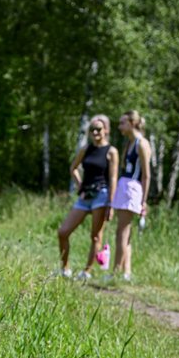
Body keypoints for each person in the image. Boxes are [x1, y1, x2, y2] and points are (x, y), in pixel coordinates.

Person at [57, 114, 118, 280]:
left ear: (105, 130)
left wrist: (111, 204)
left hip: (102, 195)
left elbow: (113, 179)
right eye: (92, 130)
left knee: (96, 236)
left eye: (98, 129)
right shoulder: (86, 149)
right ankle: (65, 268)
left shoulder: (111, 152)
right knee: (63, 232)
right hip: (85, 196)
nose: (95, 132)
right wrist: (80, 186)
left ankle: (87, 272)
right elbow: (73, 168)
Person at [111, 110, 151, 281]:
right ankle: (126, 272)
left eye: (122, 123)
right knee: (125, 233)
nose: (120, 126)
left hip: (133, 188)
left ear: (132, 123)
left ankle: (116, 272)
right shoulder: (129, 143)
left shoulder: (142, 144)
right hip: (124, 185)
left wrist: (144, 201)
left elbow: (146, 175)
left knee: (122, 232)